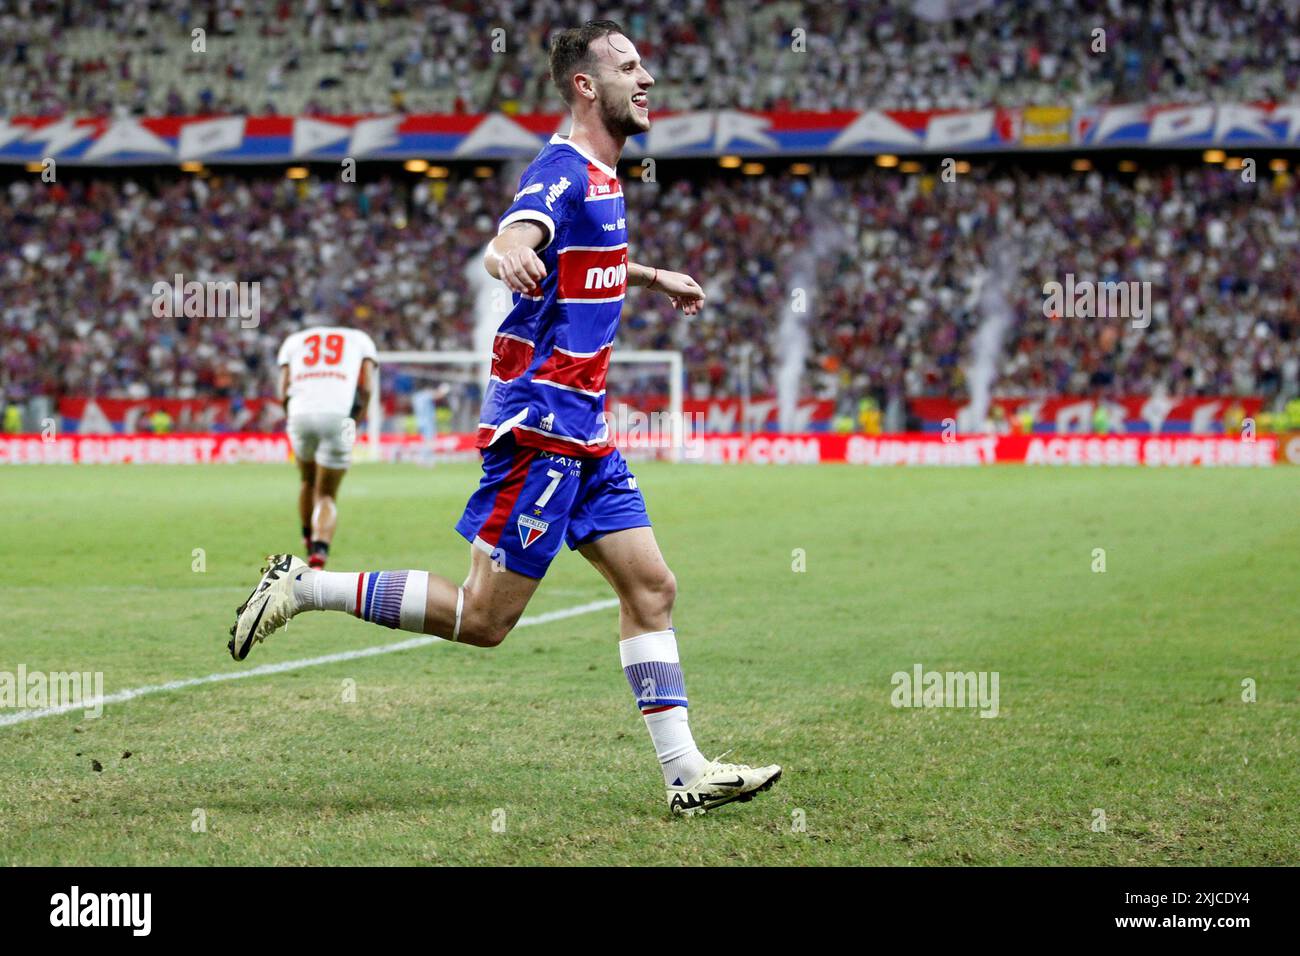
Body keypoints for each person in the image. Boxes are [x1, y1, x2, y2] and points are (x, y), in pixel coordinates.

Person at [231, 21, 779, 816]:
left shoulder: (603, 176)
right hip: (541, 431)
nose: (647, 77)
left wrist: (654, 276)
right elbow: (517, 231)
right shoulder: (560, 171)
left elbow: (581, 255)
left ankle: (684, 772)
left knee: (652, 587)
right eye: (629, 66)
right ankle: (306, 586)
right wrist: (508, 252)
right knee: (483, 619)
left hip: (584, 431)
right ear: (587, 86)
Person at [276, 321, 377, 569]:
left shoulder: (294, 340)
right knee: (326, 494)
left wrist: (291, 415)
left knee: (307, 481)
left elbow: (282, 388)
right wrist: (356, 420)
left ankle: (307, 539)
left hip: (300, 413)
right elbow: (365, 387)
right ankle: (319, 555)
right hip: (338, 416)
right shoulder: (360, 338)